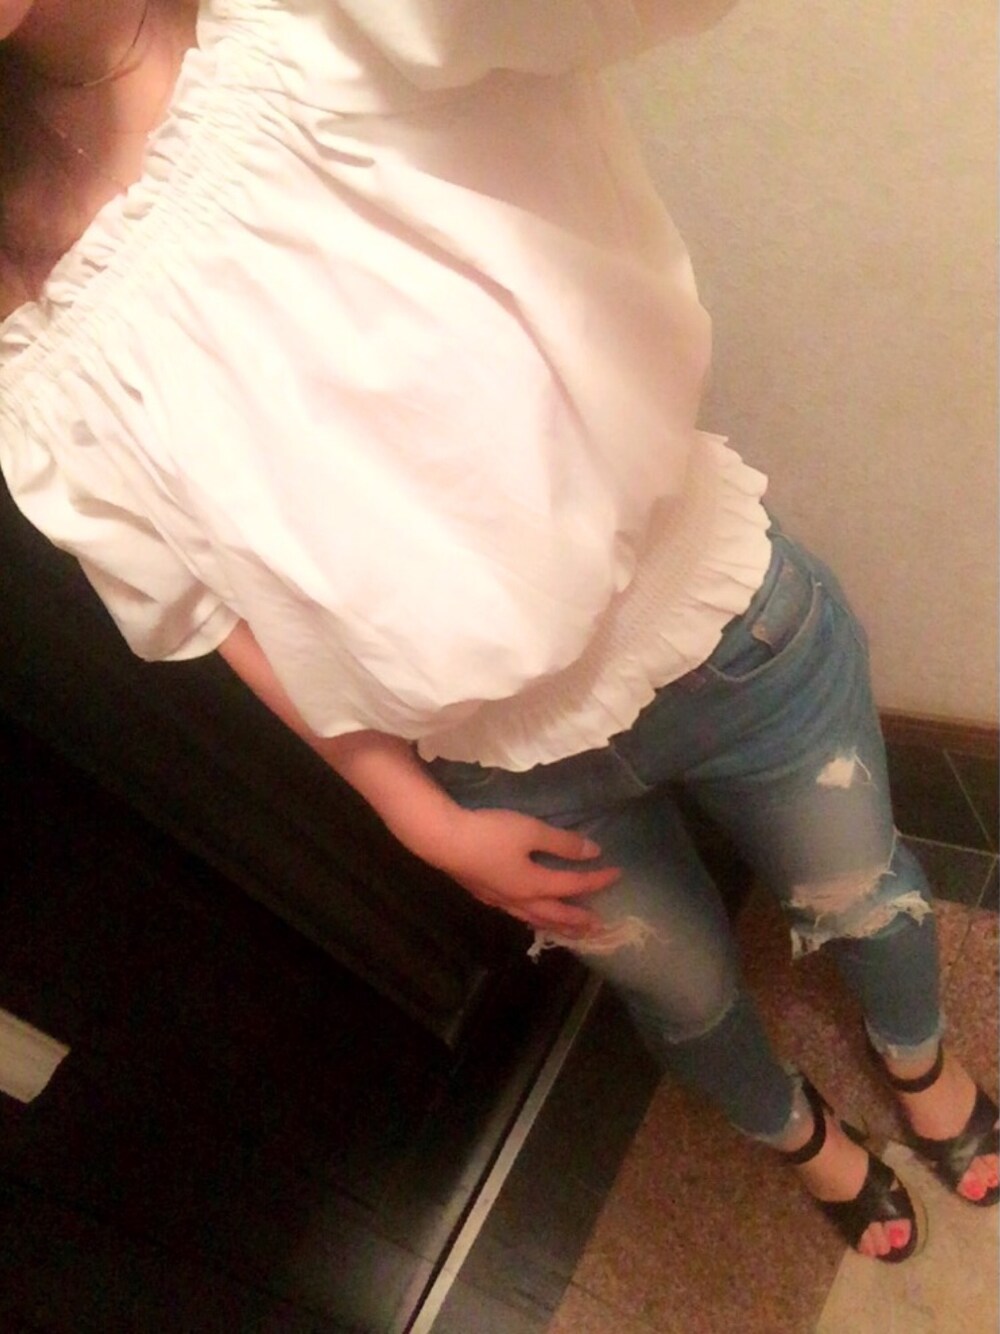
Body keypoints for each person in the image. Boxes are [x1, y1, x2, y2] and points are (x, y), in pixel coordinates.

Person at [0, 0, 996, 1266]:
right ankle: (795, 1133)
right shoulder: (24, 339)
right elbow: (207, 606)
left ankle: (920, 1063)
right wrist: (413, 813)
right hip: (496, 768)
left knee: (869, 895)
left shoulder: (306, 27)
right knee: (682, 996)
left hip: (725, 625)